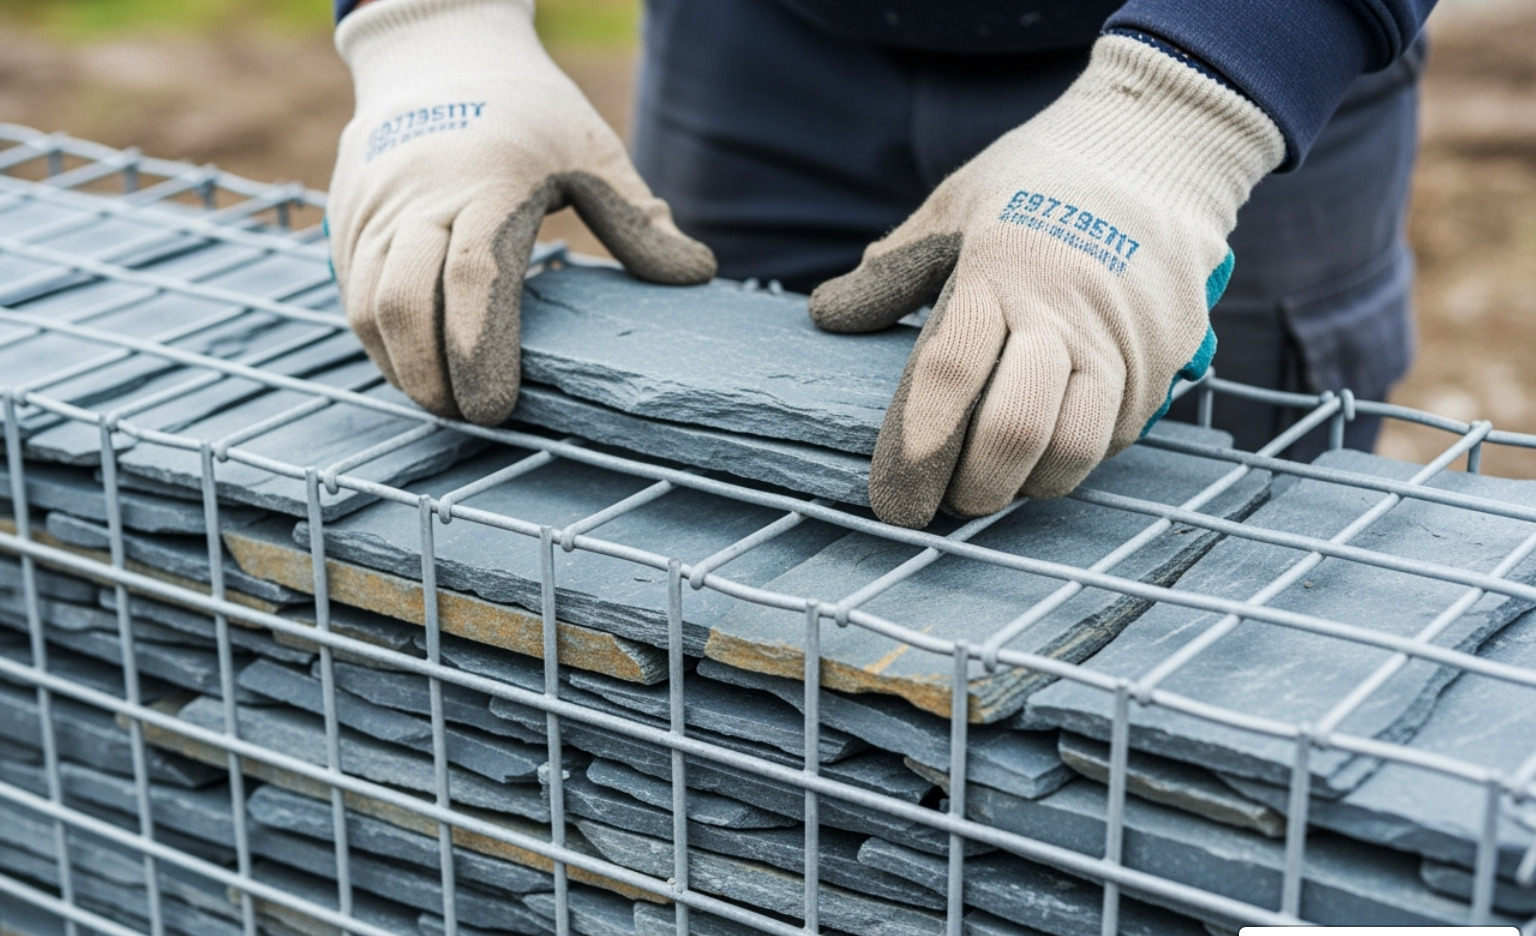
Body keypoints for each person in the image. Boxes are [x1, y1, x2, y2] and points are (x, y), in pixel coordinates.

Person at [325, 0, 1433, 528]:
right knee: (711, 529)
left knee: (1211, 554)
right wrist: (432, 32)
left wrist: (1183, 122)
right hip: (759, 42)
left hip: (1244, 55)